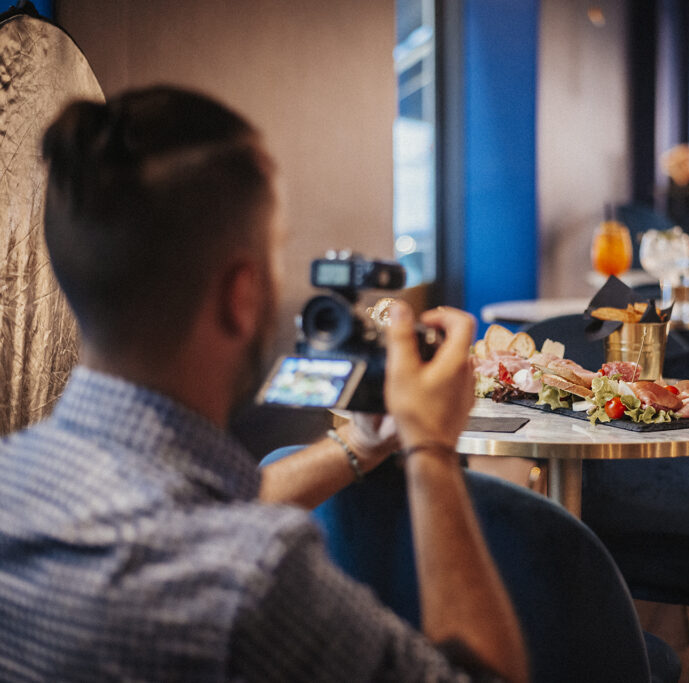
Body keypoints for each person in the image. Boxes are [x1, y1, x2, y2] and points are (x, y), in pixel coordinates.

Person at [0, 85, 527, 682]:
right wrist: (431, 448)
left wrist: (363, 442)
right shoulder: (253, 582)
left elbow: (183, 506)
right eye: (276, 254)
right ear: (243, 295)